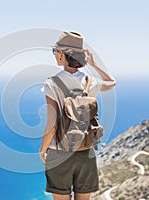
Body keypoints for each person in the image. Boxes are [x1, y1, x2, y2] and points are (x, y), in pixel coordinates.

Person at [39, 31, 116, 200]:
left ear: (61, 55)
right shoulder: (91, 82)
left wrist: (43, 150)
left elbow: (52, 124)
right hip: (86, 150)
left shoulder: (52, 83)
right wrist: (94, 64)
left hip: (59, 152)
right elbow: (111, 82)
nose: (54, 55)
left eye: (55, 51)